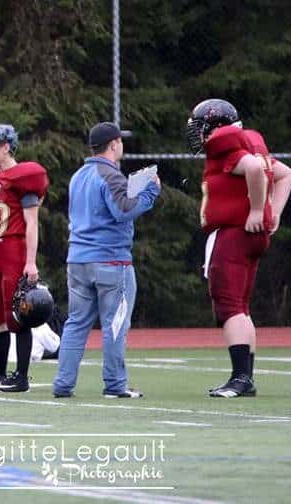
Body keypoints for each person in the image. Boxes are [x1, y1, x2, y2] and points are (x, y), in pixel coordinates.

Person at [185, 99, 291, 397]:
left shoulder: (228, 145)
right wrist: (274, 212)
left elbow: (255, 168)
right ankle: (244, 377)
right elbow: (284, 174)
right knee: (240, 307)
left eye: (201, 127)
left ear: (216, 126)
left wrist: (259, 210)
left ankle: (241, 378)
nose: (199, 134)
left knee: (229, 305)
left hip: (234, 233)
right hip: (247, 235)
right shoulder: (248, 141)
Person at [52, 122, 160, 399]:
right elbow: (123, 210)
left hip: (77, 259)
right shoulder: (110, 174)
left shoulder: (79, 175)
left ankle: (63, 384)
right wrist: (150, 191)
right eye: (120, 141)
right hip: (111, 261)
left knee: (76, 323)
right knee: (115, 324)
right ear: (113, 144)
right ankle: (115, 385)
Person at [0, 124, 49, 393]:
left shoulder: (24, 177)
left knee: (18, 314)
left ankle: (22, 376)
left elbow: (32, 223)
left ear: (6, 147)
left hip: (14, 250)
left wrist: (30, 261)